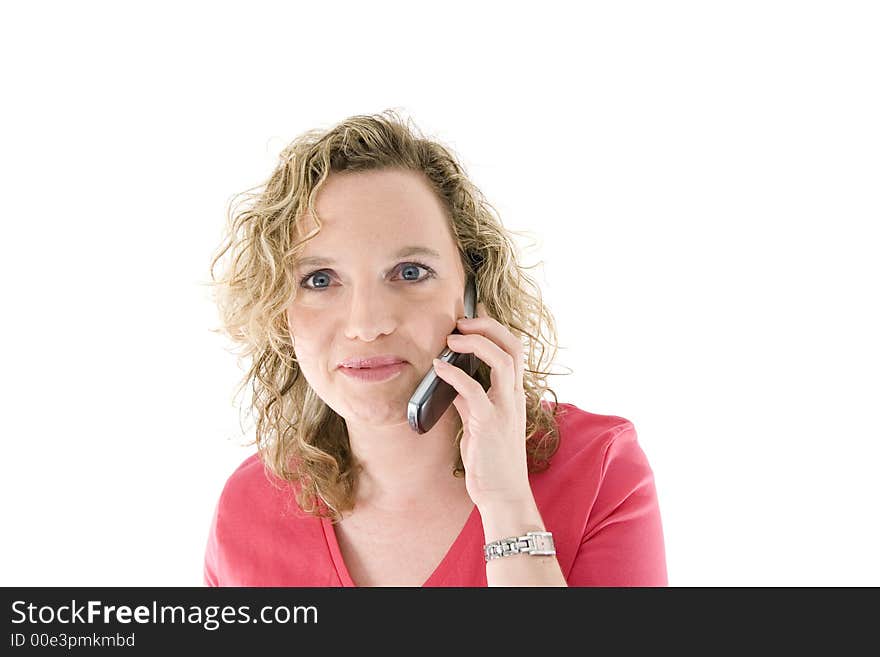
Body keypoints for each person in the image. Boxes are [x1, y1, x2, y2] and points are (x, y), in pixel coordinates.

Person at [203, 110, 667, 586]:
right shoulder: (247, 508)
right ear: (279, 310)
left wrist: (507, 504)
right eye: (319, 280)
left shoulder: (599, 470)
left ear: (472, 291)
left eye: (409, 273)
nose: (367, 324)